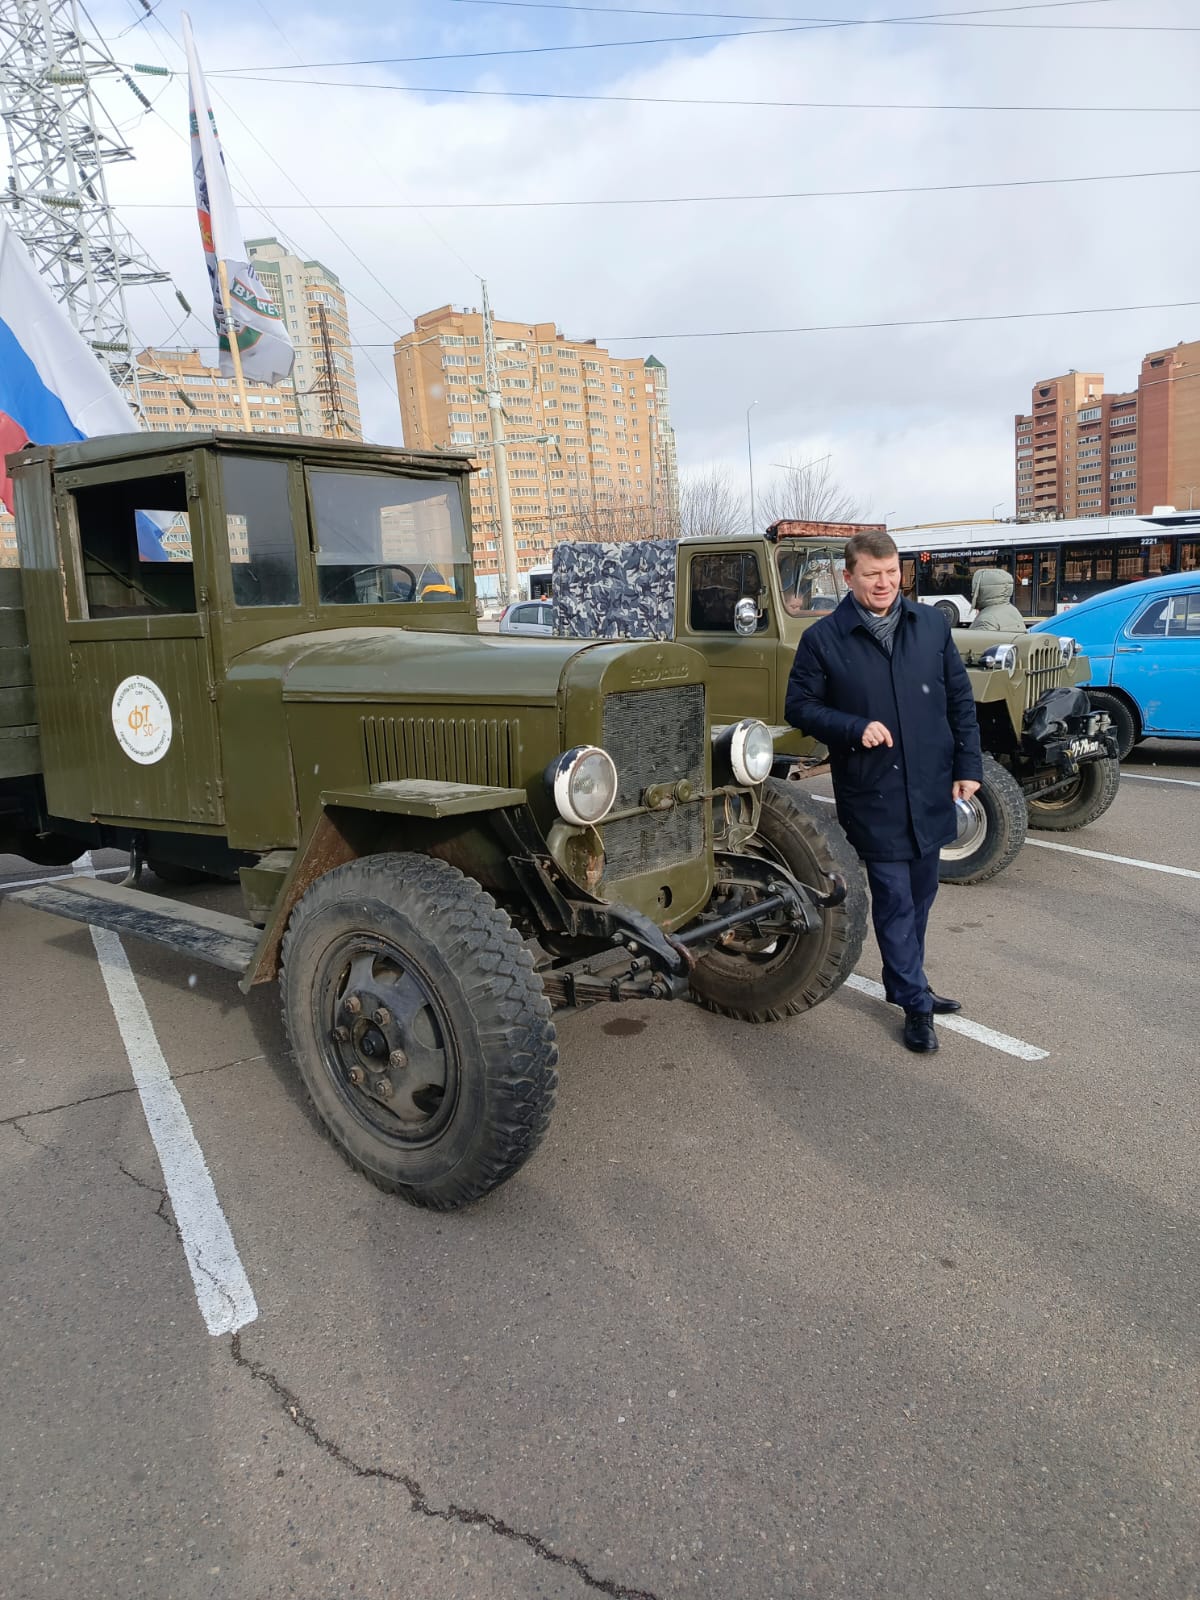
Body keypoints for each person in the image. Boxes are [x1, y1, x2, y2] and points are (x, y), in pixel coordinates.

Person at [784, 530, 983, 1053]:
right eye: (872, 574)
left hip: (931, 784)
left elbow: (959, 700)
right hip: (873, 790)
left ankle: (906, 979)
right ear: (847, 577)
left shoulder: (931, 625)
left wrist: (969, 765)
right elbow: (799, 707)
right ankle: (916, 1005)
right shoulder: (824, 639)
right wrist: (853, 727)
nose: (884, 583)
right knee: (894, 897)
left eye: (892, 572)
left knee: (922, 894)